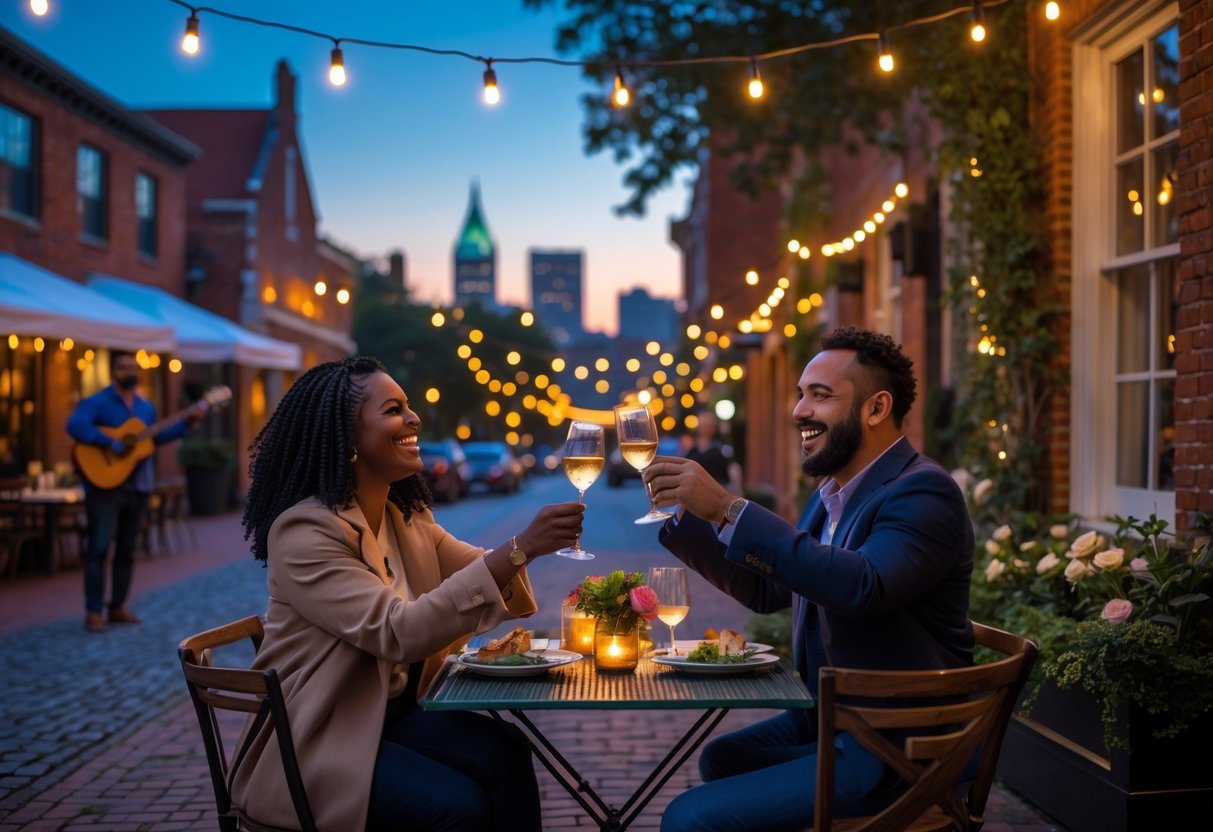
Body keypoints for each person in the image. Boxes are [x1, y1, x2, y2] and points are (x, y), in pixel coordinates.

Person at [644, 327, 974, 832]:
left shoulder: (924, 491)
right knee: (722, 759)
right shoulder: (830, 494)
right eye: (801, 394)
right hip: (832, 719)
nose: (799, 410)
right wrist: (691, 518)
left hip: (895, 746)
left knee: (689, 818)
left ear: (876, 408)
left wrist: (731, 507)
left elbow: (864, 586)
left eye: (820, 396)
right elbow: (766, 589)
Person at [234, 355, 584, 832]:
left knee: (507, 753)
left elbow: (482, 566)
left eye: (409, 407)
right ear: (348, 437)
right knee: (457, 807)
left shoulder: (406, 519)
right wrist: (521, 548)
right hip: (321, 738)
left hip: (392, 716)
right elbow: (397, 631)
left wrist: (529, 548)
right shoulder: (304, 533)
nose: (414, 418)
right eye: (394, 409)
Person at [67, 350, 204, 633]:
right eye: (123, 367)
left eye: (133, 366)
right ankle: (94, 610)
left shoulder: (145, 408)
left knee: (127, 550)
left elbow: (153, 439)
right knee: (99, 548)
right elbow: (75, 425)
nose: (130, 371)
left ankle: (116, 605)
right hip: (104, 487)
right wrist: (108, 441)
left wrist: (186, 425)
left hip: (139, 486)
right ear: (113, 372)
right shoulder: (97, 402)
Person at [685, 409, 742, 494]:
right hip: (693, 491)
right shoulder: (692, 447)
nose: (705, 429)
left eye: (708, 426)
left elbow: (732, 468)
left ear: (714, 427)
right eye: (703, 425)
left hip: (715, 491)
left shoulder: (721, 447)